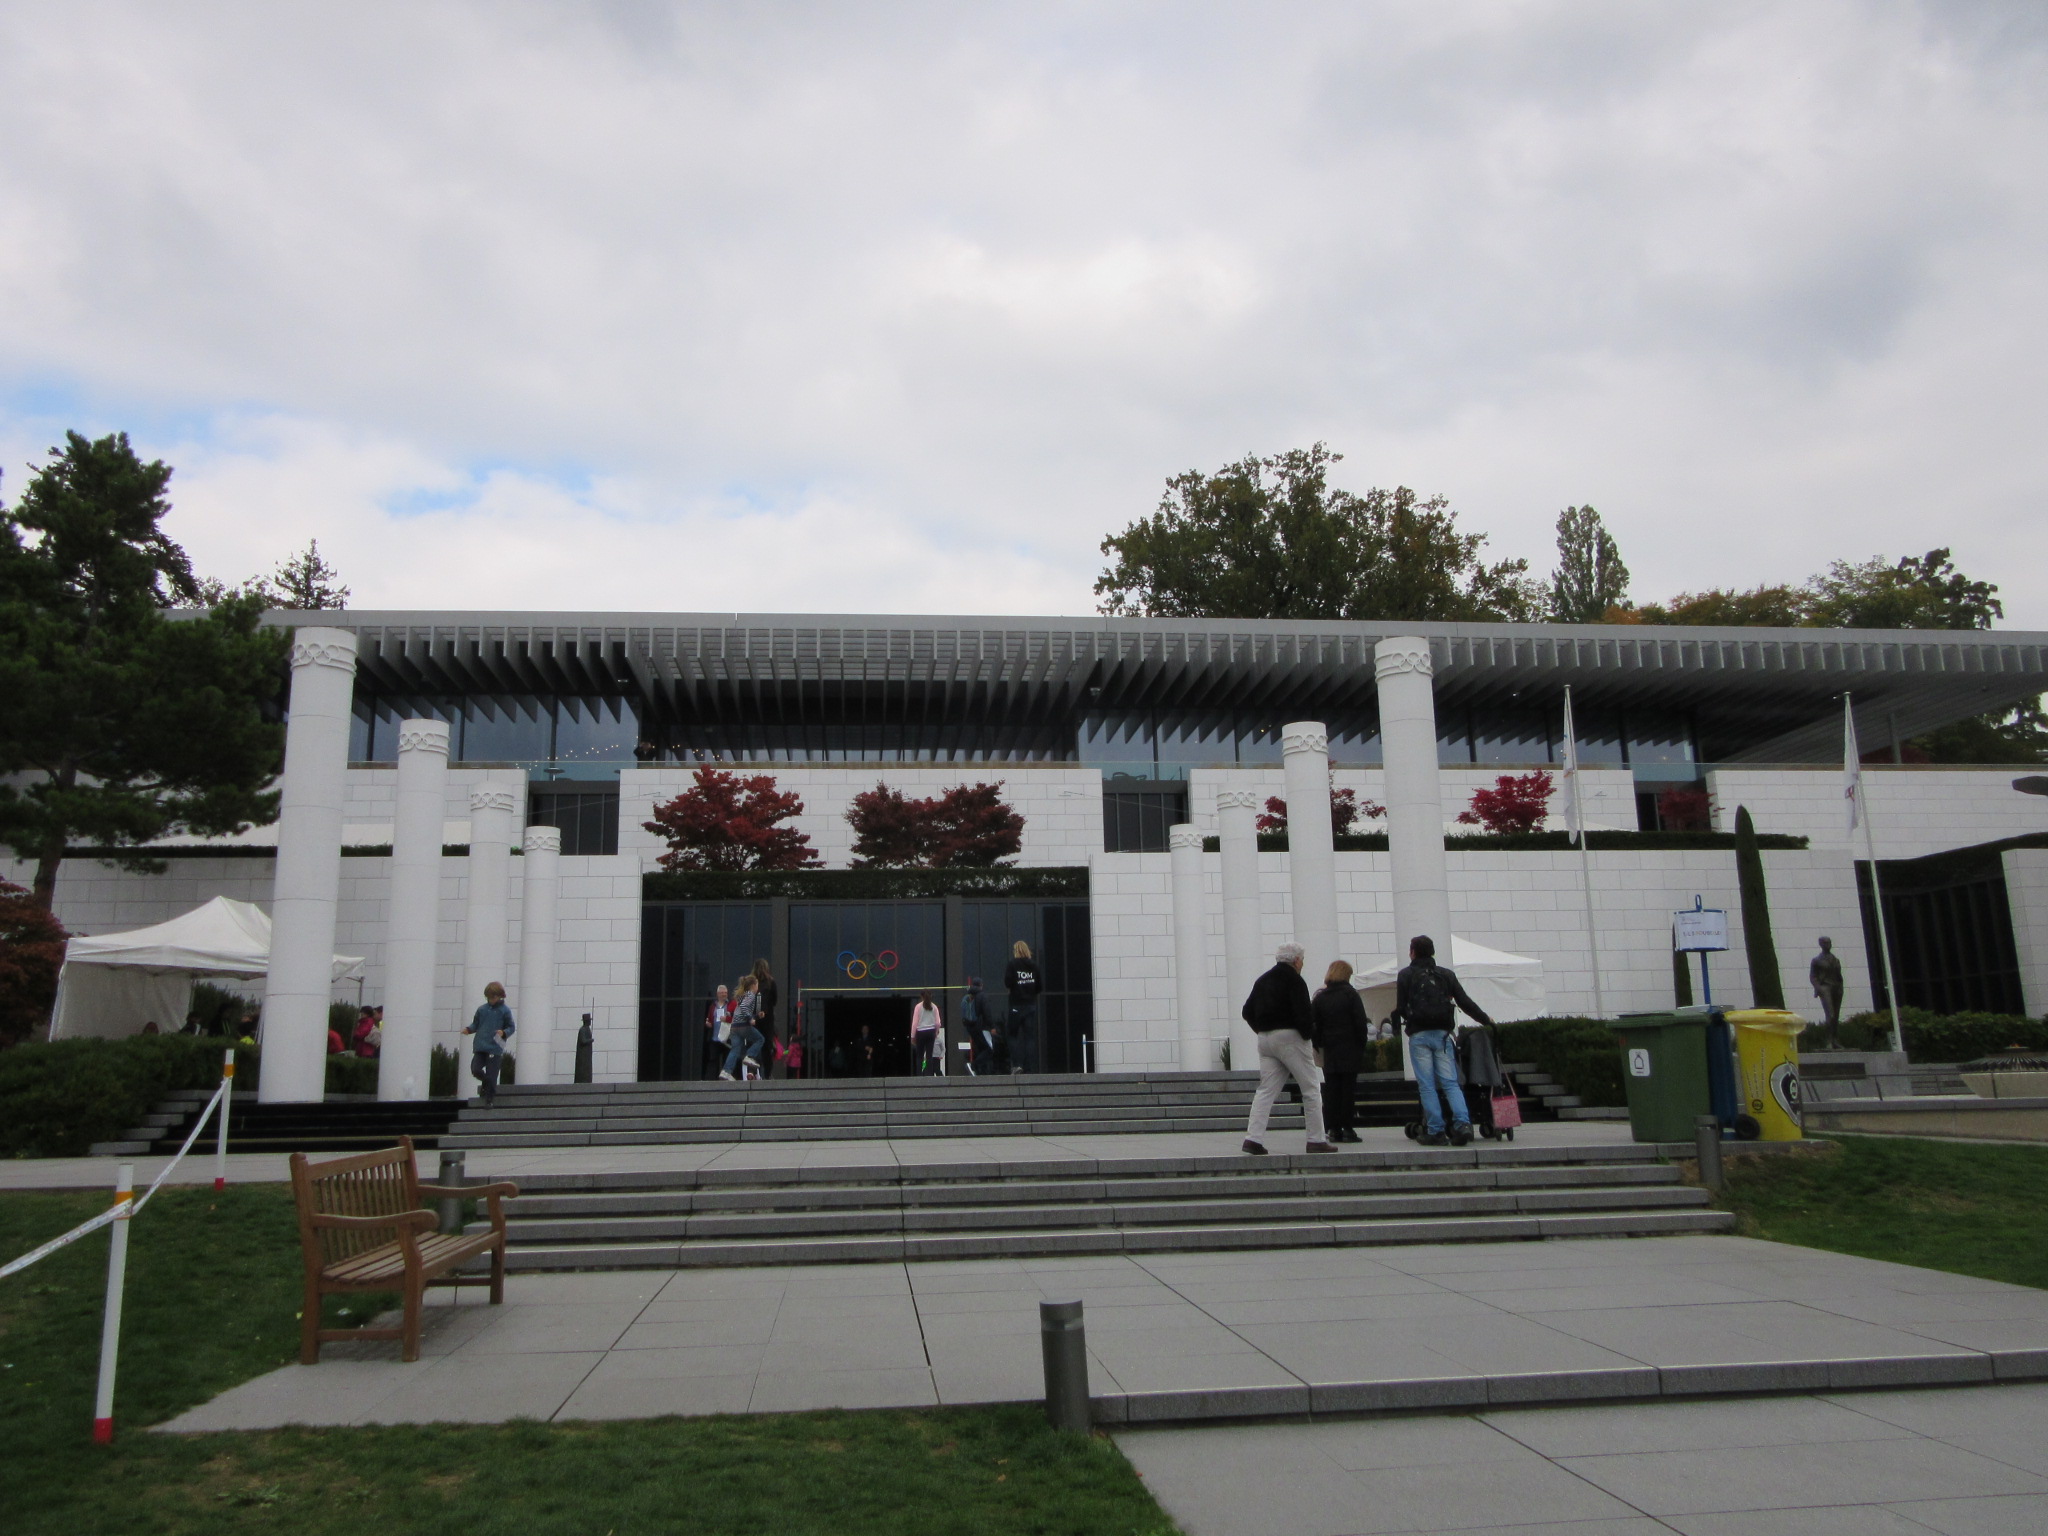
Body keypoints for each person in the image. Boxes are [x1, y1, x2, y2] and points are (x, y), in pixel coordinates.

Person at [1239, 942, 1335, 1155]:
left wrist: (1261, 1029)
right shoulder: (1295, 980)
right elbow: (1303, 1013)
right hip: (1291, 1037)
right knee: (1310, 1088)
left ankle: (1253, 1138)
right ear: (1296, 960)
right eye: (1302, 960)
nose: (1303, 963)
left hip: (1265, 1038)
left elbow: (1247, 1011)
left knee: (1266, 1090)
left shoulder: (1262, 980)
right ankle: (1316, 1139)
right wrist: (1308, 1035)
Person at [1395, 936, 1491, 1147]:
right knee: (1450, 1082)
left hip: (1419, 1035)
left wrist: (1411, 1018)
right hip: (1443, 1034)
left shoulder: (1405, 975)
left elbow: (1401, 1007)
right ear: (1432, 952)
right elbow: (1464, 1002)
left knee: (1427, 1085)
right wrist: (1485, 1020)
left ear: (1412, 952)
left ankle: (1436, 1130)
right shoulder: (1446, 975)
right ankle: (1463, 1124)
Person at [1312, 960, 1369, 1144]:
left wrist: (1319, 1044)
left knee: (1332, 1089)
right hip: (1350, 1047)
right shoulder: (1351, 995)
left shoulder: (1321, 997)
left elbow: (1314, 1025)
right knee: (1348, 1089)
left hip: (1329, 1049)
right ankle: (1347, 1128)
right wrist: (1361, 1045)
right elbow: (1360, 1023)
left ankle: (1333, 1128)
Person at [461, 981, 516, 1107]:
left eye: (493, 997)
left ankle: (489, 1099)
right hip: (481, 1045)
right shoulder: (482, 1009)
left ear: (499, 996)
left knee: (492, 1074)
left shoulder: (505, 1011)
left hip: (495, 1046)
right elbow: (476, 1024)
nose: (491, 1000)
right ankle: (485, 1082)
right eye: (489, 998)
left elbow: (511, 1027)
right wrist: (469, 1029)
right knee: (475, 1069)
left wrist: (504, 1032)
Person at [1003, 940, 1042, 1074]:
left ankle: (1017, 1065)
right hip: (1030, 1006)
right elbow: (1039, 986)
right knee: (1029, 1038)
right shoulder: (1034, 966)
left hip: (1016, 1005)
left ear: (1016, 951)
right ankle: (1029, 1067)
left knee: (1012, 1035)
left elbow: (1007, 982)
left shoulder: (1012, 964)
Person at [721, 975, 766, 1080]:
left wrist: (756, 1016)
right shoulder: (750, 995)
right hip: (743, 1026)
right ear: (753, 985)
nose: (758, 987)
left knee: (735, 1050)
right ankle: (749, 1056)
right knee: (760, 1039)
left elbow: (741, 1011)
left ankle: (726, 1071)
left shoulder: (742, 996)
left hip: (734, 1027)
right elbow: (744, 1007)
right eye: (757, 985)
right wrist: (750, 1018)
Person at [1811, 937, 1845, 1048]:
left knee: (1836, 1015)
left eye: (1829, 942)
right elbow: (1813, 976)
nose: (1828, 945)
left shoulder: (1835, 959)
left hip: (1836, 988)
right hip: (1825, 987)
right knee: (1830, 1014)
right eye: (1825, 943)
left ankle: (1835, 1039)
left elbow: (1839, 975)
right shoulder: (1816, 960)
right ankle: (1829, 1040)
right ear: (1821, 944)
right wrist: (1819, 988)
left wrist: (1840, 987)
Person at [962, 975, 1001, 1074]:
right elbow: (987, 1012)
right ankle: (973, 1066)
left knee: (981, 1049)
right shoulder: (982, 996)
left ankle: (981, 1071)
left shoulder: (968, 996)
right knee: (989, 1050)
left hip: (971, 1027)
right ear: (981, 985)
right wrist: (992, 1026)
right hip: (982, 1027)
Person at [753, 959, 780, 1075]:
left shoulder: (751, 982)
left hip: (754, 1017)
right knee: (767, 1046)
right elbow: (775, 1000)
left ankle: (753, 1071)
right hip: (767, 1018)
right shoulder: (770, 982)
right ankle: (767, 1074)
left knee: (754, 1043)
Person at [703, 983, 733, 1079]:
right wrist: (708, 1022)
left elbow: (735, 1018)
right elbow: (709, 1018)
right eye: (722, 993)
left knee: (727, 1059)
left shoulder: (730, 1005)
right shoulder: (713, 1006)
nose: (724, 994)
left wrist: (727, 1019)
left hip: (727, 1038)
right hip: (715, 1038)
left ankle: (726, 1078)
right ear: (718, 994)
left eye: (725, 993)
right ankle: (710, 1080)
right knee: (713, 1060)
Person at [910, 989, 943, 1074]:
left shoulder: (918, 1007)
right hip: (931, 1032)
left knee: (919, 1055)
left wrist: (913, 1036)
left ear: (921, 997)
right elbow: (938, 1022)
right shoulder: (934, 1007)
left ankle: (919, 1074)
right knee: (929, 1055)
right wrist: (936, 1032)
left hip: (921, 1032)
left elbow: (914, 1023)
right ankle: (929, 1073)